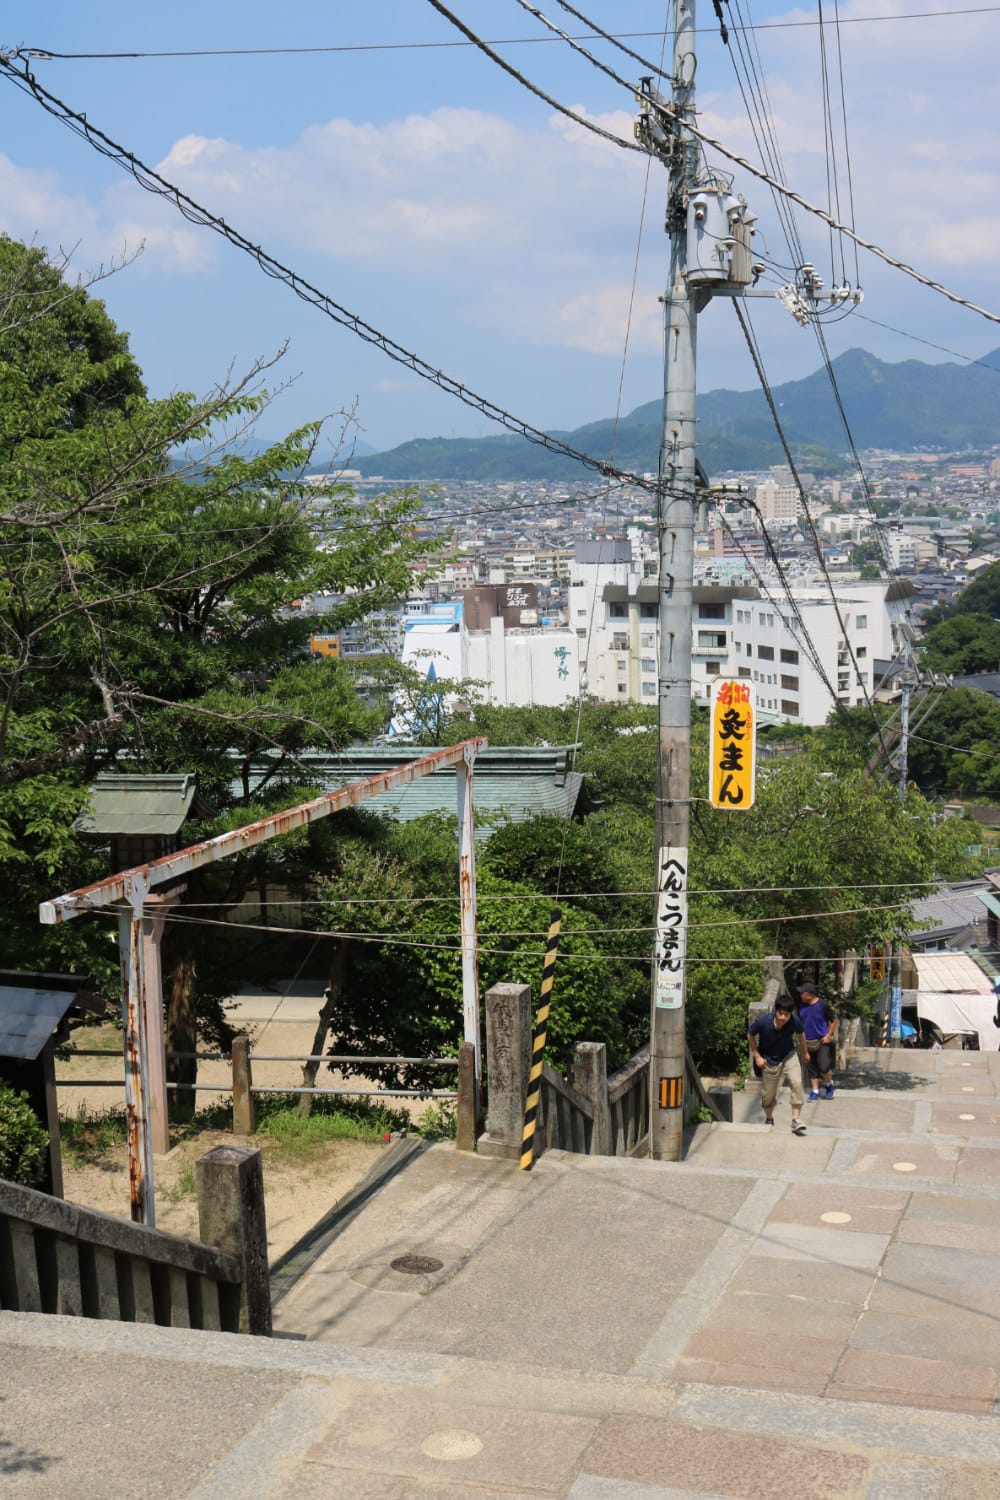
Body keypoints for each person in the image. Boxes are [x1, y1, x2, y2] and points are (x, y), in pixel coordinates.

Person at [748, 996, 809, 1134]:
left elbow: (801, 1035)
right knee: (768, 1095)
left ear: (790, 1014)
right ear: (776, 1011)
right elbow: (750, 1034)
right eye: (780, 1013)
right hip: (769, 1060)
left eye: (786, 1014)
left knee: (797, 1082)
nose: (783, 1017)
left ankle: (796, 1119)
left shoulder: (795, 1021)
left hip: (789, 1055)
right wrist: (757, 1056)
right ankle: (769, 1118)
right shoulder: (764, 1022)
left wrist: (805, 1053)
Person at [797, 980, 837, 1101]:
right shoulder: (801, 1005)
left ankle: (829, 1084)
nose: (800, 995)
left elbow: (833, 1020)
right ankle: (815, 1091)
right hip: (807, 1041)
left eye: (802, 993)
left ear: (809, 995)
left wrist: (828, 1035)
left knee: (824, 1067)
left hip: (822, 1040)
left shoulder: (822, 1005)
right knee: (812, 1068)